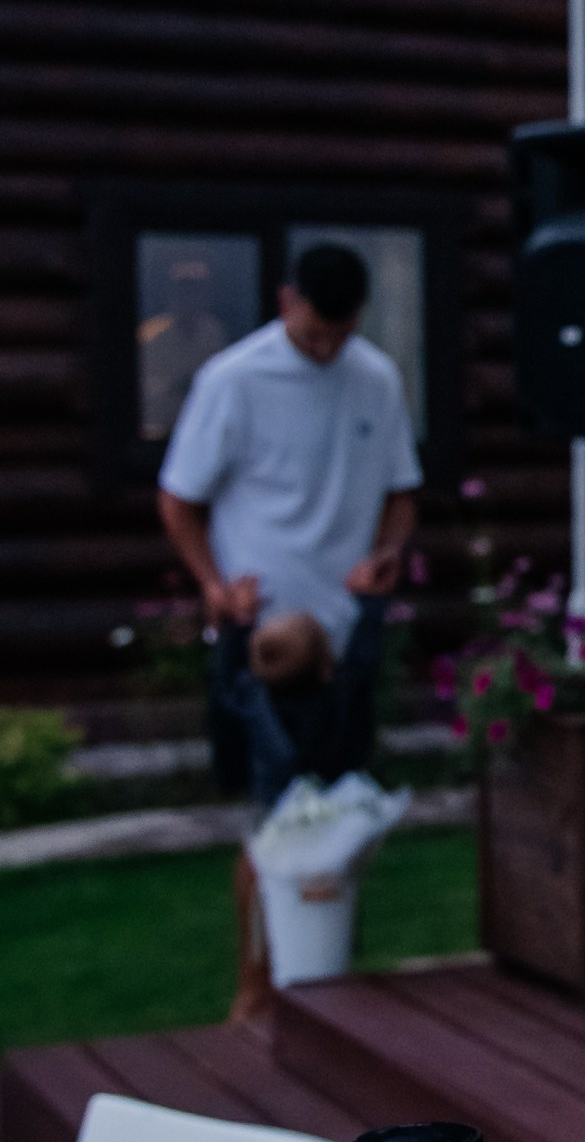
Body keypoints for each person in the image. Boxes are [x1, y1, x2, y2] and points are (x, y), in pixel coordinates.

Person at [157, 242, 420, 814]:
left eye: (340, 332)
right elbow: (178, 500)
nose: (327, 347)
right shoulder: (232, 380)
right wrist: (213, 585)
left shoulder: (377, 378)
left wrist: (388, 551)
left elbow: (401, 491)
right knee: (265, 801)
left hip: (342, 627)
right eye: (314, 332)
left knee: (344, 802)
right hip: (261, 634)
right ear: (286, 302)